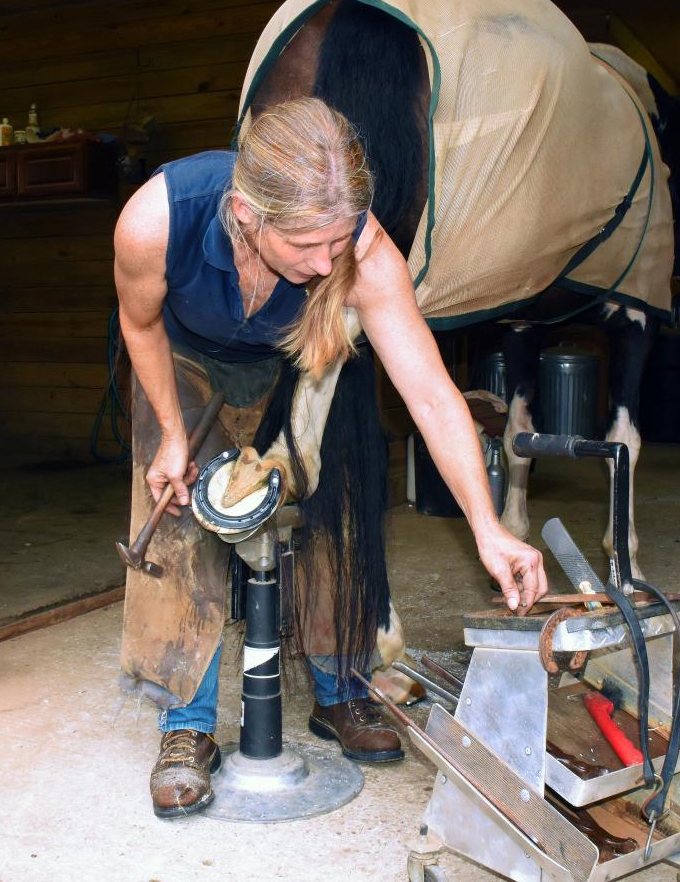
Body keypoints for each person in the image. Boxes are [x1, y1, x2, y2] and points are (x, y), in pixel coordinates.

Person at [113, 97, 548, 819]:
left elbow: (434, 397)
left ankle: (340, 686)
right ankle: (186, 727)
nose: (325, 264)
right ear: (249, 215)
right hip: (187, 359)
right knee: (179, 515)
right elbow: (140, 320)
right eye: (307, 246)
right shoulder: (156, 221)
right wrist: (172, 431)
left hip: (302, 355)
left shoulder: (361, 256)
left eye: (338, 242)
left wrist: (488, 525)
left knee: (334, 504)